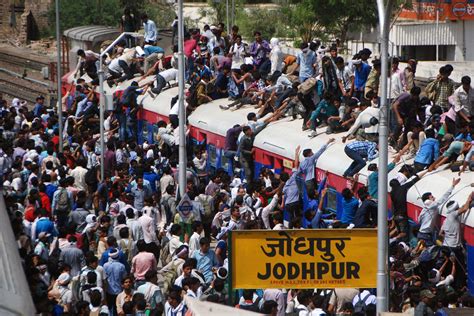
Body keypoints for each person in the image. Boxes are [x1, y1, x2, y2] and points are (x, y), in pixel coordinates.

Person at [417, 178, 460, 246]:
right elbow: (442, 199)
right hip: (425, 235)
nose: (434, 198)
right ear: (428, 199)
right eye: (432, 197)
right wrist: (452, 186)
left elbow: (419, 220)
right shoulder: (429, 204)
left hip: (423, 233)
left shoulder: (425, 208)